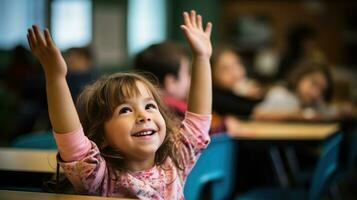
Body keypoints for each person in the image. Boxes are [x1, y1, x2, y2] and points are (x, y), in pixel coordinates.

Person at [27, 10, 212, 199]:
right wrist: (55, 77)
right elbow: (71, 140)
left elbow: (198, 123)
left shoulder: (174, 162)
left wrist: (202, 58)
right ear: (102, 136)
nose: (144, 115)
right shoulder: (98, 177)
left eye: (149, 106)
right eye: (125, 110)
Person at [253, 61, 337, 121]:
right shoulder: (281, 94)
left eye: (322, 89)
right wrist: (297, 115)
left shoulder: (315, 103)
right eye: (313, 83)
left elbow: (329, 112)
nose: (316, 93)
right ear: (300, 77)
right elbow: (258, 114)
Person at [134, 41, 190, 117]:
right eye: (187, 73)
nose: (190, 79)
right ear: (171, 82)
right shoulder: (179, 113)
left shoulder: (138, 110)